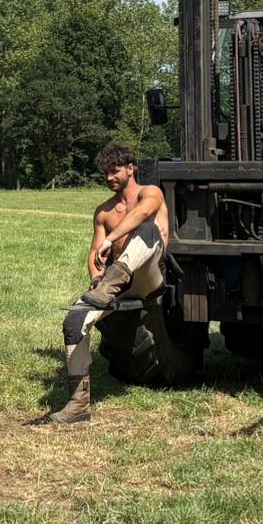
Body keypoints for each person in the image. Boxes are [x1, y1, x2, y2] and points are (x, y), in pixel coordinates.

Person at [40, 142, 169, 425]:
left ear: (131, 169)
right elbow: (94, 254)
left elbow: (143, 214)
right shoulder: (103, 212)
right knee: (74, 322)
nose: (110, 178)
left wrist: (111, 242)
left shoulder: (152, 193)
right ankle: (78, 405)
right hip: (116, 285)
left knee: (146, 229)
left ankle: (110, 283)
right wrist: (96, 277)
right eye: (106, 174)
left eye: (115, 171)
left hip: (150, 276)